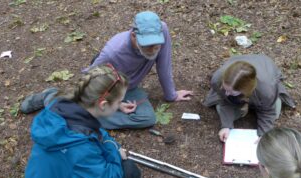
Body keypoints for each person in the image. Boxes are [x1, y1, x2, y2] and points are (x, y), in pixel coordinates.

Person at [25, 64, 145, 178]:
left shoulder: (62, 107)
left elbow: (97, 133)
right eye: (119, 102)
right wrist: (114, 152)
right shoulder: (79, 148)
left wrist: (111, 146)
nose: (121, 105)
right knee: (129, 171)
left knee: (113, 160)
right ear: (102, 104)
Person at [20, 11, 193, 130]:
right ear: (134, 35)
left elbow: (164, 64)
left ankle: (81, 115)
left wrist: (171, 95)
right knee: (84, 106)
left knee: (147, 118)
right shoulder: (113, 51)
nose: (154, 49)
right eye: (148, 45)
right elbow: (90, 81)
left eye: (157, 43)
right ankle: (51, 97)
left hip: (128, 88)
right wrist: (116, 103)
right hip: (108, 89)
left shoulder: (162, 30)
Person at [203, 54, 296, 142]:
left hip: (263, 74)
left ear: (245, 89)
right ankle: (242, 105)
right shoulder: (217, 79)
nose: (226, 93)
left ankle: (249, 104)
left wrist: (264, 134)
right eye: (225, 89)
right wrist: (226, 126)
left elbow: (268, 112)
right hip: (243, 84)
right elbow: (224, 101)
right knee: (221, 109)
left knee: (274, 112)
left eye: (231, 92)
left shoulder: (266, 89)